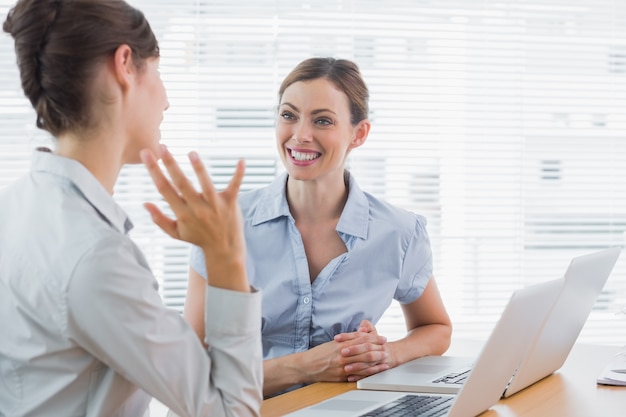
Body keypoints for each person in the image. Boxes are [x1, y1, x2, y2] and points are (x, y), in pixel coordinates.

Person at [0, 1, 262, 416]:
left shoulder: (14, 205)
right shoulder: (95, 257)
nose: (167, 102)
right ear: (125, 65)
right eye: (157, 74)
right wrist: (226, 255)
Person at [184, 57, 453, 397]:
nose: (301, 135)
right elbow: (189, 369)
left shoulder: (397, 231)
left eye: (322, 120)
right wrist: (307, 365)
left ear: (359, 134)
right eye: (288, 115)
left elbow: (436, 328)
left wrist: (387, 354)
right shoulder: (225, 222)